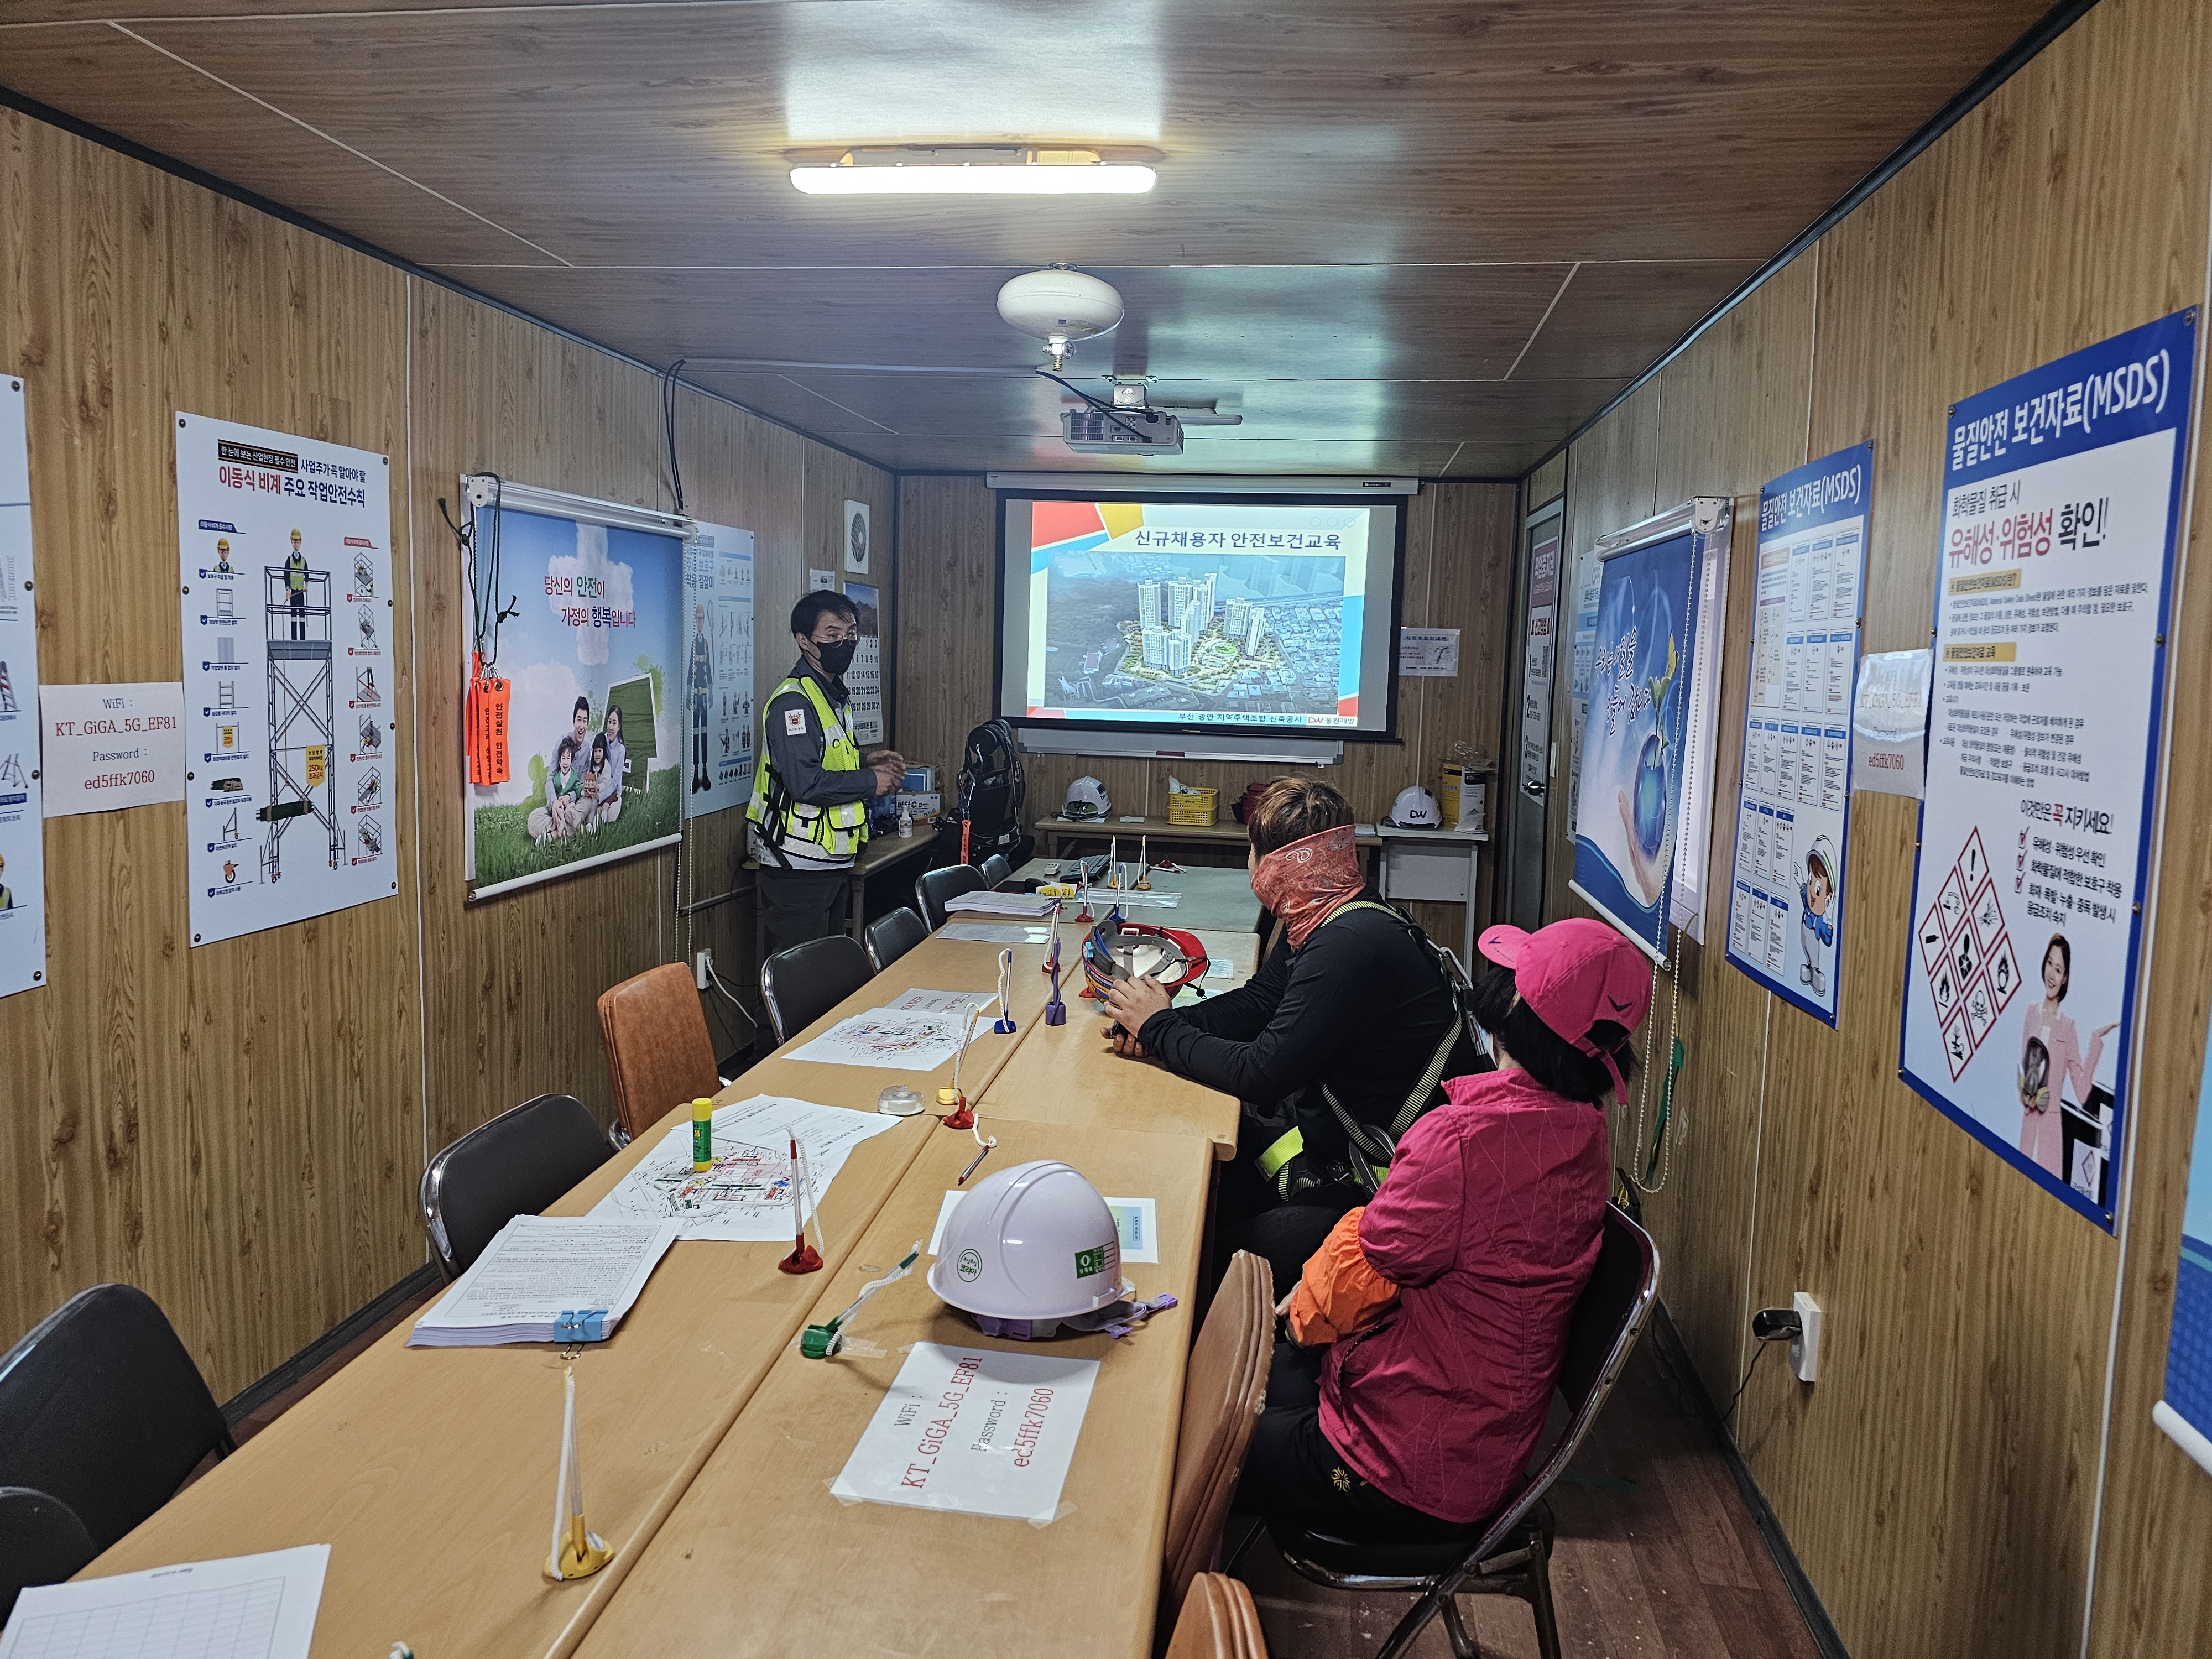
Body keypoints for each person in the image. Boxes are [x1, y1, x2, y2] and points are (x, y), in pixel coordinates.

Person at [1235, 917, 1650, 1543]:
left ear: (1514, 1011)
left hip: (1404, 1468)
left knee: (1201, 1442)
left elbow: (1372, 1257)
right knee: (1262, 1369)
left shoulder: (1461, 1140)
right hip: (1482, 1441)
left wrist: (1303, 1310)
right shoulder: (1583, 1130)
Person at [1100, 776, 1482, 1292]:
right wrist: (1160, 1026)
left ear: (1273, 865)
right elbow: (1262, 1001)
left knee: (1201, 1262)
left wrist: (1160, 1027)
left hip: (1384, 1188)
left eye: (1253, 851)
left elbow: (1261, 1073)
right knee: (1200, 1184)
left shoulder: (1347, 945)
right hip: (1342, 1150)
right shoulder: (1334, 914)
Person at [747, 591, 905, 954]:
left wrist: (864, 762)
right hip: (797, 863)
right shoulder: (794, 703)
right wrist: (871, 782)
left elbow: (824, 758)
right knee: (801, 971)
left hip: (829, 859)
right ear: (804, 641)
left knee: (826, 968)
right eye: (832, 635)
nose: (844, 644)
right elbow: (806, 783)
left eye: (850, 635)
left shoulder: (832, 694)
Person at [2019, 932, 2116, 1177]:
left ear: (2065, 979)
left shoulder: (2068, 1026)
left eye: (2059, 970)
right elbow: (2024, 1071)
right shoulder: (2031, 1012)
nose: (2052, 975)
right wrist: (2024, 1096)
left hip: (2051, 1133)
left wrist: (2095, 1041)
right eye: (2049, 963)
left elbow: (2082, 1092)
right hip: (2028, 1128)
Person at [1798, 836, 1836, 996]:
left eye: (1819, 888)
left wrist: (1830, 919)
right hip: (1805, 934)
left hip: (1813, 937)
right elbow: (1805, 900)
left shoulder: (1819, 921)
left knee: (1813, 956)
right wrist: (1802, 885)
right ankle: (1808, 969)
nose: (1813, 892)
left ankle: (1815, 973)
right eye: (1811, 881)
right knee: (1807, 951)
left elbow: (1827, 939)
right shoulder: (1808, 910)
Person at [527, 736, 583, 845]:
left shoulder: (574, 775)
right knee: (533, 820)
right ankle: (563, 832)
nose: (565, 762)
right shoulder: (556, 777)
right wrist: (554, 803)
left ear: (572, 761)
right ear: (559, 761)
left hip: (569, 809)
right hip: (555, 812)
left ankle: (555, 836)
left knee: (569, 813)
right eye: (563, 759)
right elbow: (550, 783)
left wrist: (570, 796)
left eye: (568, 759)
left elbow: (578, 789)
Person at [688, 602, 714, 792]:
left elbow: (709, 668)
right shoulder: (693, 644)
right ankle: (695, 773)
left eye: (702, 619)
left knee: (704, 732)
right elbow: (691, 668)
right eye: (698, 619)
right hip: (695, 694)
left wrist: (711, 691)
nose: (700, 622)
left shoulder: (705, 643)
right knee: (695, 733)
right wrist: (688, 692)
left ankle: (705, 773)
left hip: (704, 694)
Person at [592, 705, 627, 828]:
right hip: (601, 784)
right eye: (609, 722)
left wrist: (601, 797)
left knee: (611, 815)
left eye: (615, 723)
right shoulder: (603, 740)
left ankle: (603, 811)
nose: (611, 727)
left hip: (613, 790)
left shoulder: (621, 749)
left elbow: (616, 780)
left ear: (619, 727)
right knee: (592, 809)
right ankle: (595, 821)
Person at [283, 529, 309, 640]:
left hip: (301, 591)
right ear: (292, 542)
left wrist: (307, 585)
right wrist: (288, 590)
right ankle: (294, 638)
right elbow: (286, 574)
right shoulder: (290, 559)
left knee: (302, 615)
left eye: (298, 541)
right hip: (293, 591)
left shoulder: (303, 560)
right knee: (293, 615)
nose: (296, 544)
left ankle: (303, 638)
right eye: (294, 541)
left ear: (300, 542)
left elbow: (307, 572)